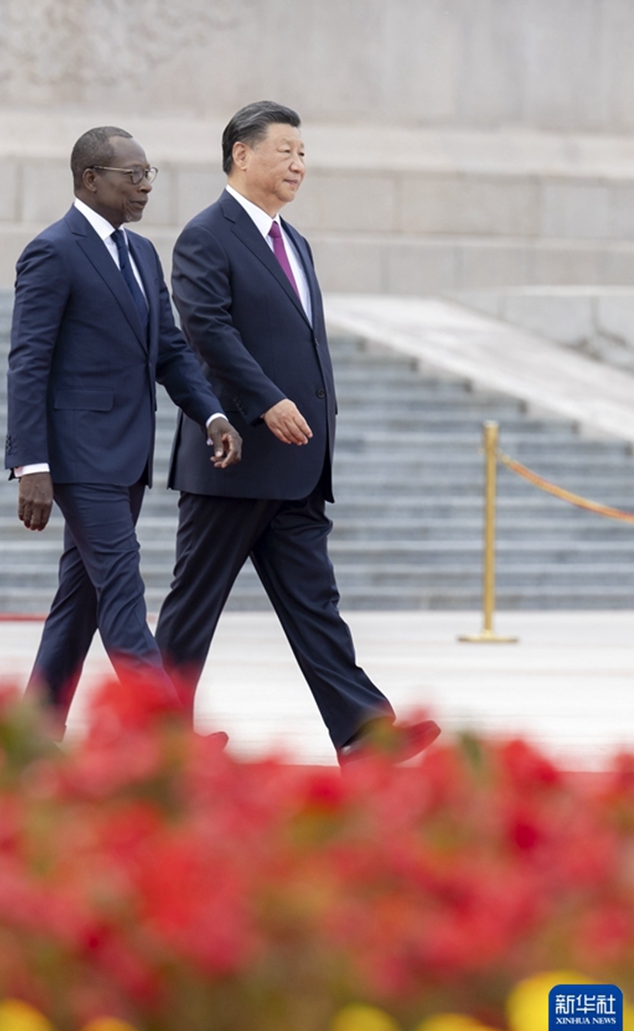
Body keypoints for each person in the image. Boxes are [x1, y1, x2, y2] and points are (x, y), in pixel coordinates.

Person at [155, 101, 439, 766]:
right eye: (285, 151)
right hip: (235, 458)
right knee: (193, 608)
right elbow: (208, 332)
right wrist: (266, 402)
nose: (298, 165)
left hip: (299, 464)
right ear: (241, 155)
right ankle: (153, 738)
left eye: (303, 154)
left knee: (316, 603)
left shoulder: (295, 242)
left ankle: (364, 733)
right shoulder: (206, 236)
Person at [5, 125, 241, 722]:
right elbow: (28, 362)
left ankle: (34, 732)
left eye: (148, 175)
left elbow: (169, 351)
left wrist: (210, 412)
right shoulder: (52, 251)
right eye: (132, 176)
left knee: (79, 599)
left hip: (128, 454)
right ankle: (166, 733)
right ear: (91, 180)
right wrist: (32, 463)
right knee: (122, 591)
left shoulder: (140, 253)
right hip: (79, 458)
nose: (144, 187)